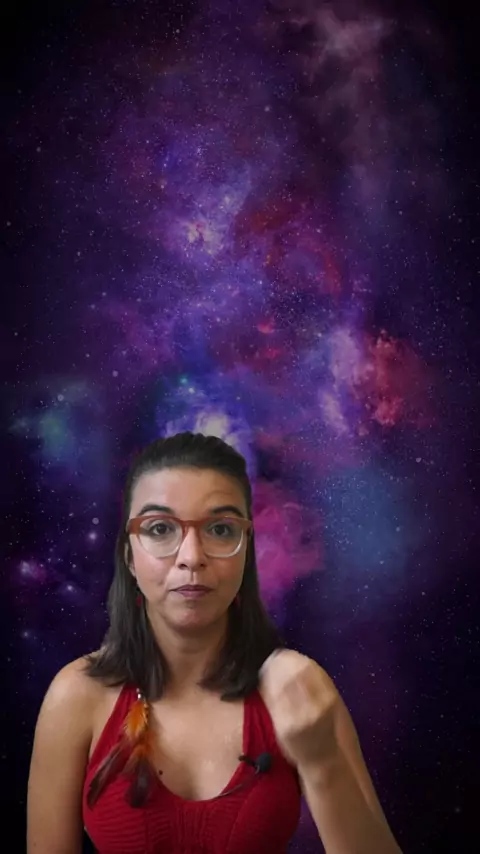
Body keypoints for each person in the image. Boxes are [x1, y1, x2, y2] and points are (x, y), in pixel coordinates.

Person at [27, 431, 402, 854]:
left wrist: (323, 763)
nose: (191, 557)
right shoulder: (76, 697)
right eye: (160, 528)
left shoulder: (300, 688)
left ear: (246, 552)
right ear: (129, 555)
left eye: (221, 529)